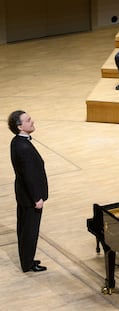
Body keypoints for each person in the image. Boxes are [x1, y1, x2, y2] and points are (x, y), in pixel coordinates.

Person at [8, 110, 48, 273]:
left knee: (25, 229)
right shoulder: (23, 147)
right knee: (30, 231)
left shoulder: (16, 142)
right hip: (30, 197)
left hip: (23, 194)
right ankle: (27, 263)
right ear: (20, 126)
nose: (32, 121)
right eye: (28, 120)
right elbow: (29, 175)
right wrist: (37, 198)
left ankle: (27, 259)